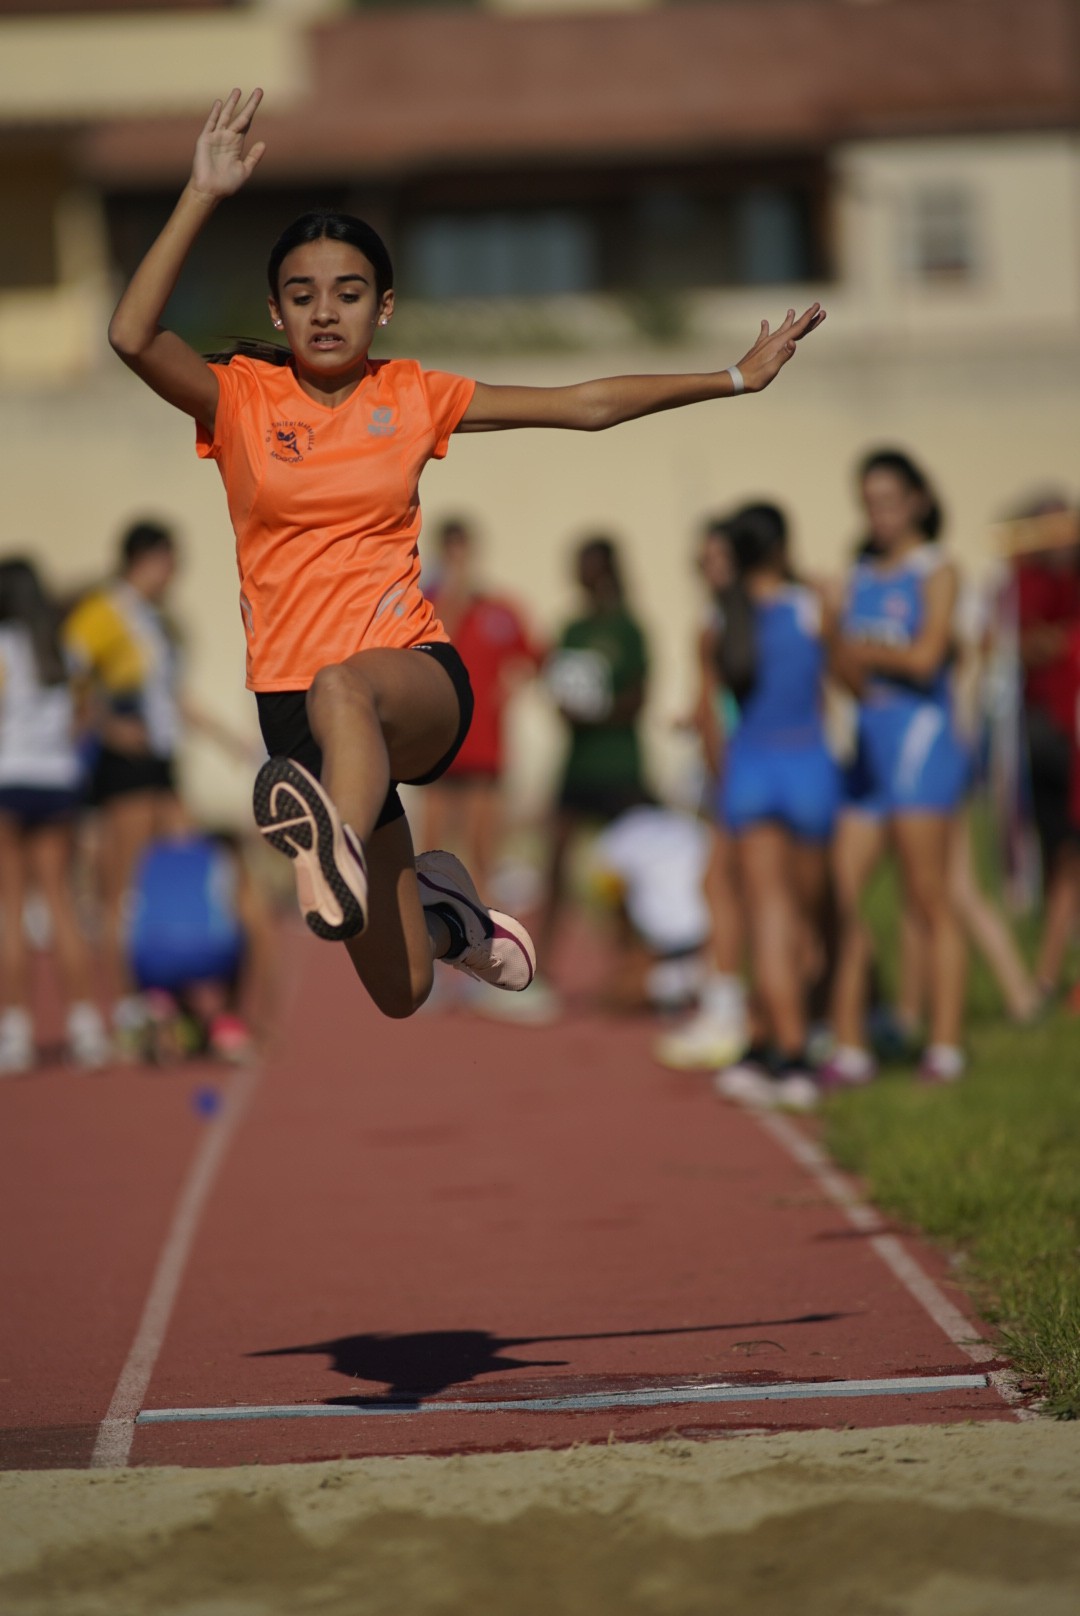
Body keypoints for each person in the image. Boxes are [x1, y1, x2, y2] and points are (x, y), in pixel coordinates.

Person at [106, 86, 824, 1022]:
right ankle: (450, 920)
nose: (326, 313)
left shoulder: (412, 396)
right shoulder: (239, 399)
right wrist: (203, 192)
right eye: (303, 296)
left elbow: (581, 404)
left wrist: (731, 376)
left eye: (349, 293)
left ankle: (336, 847)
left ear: (384, 307)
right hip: (291, 708)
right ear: (276, 313)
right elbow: (131, 335)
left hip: (410, 678)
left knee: (344, 687)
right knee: (400, 989)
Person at [826, 450, 969, 1086]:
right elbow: (851, 680)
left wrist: (852, 642)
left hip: (921, 748)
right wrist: (834, 635)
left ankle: (945, 1046)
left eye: (888, 501)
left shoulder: (936, 569)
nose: (878, 515)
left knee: (928, 898)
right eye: (868, 503)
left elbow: (927, 657)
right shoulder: (858, 575)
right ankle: (850, 1046)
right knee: (838, 896)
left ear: (916, 501)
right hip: (869, 750)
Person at [699, 505, 839, 1110]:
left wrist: (724, 783)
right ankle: (796, 1047)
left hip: (751, 771)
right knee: (807, 920)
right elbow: (850, 681)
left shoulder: (718, 620)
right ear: (782, 547)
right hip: (808, 767)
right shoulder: (811, 609)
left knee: (769, 918)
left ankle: (774, 1045)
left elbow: (709, 717)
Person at [0, 558, 109, 1073]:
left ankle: (16, 1032)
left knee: (10, 909)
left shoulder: (4, 646)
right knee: (62, 903)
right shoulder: (67, 648)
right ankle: (85, 1027)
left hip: (9, 779)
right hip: (58, 781)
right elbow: (86, 715)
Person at [656, 516, 747, 1069]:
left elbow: (724, 707)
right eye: (705, 560)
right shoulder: (726, 616)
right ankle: (734, 1003)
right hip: (739, 768)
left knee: (725, 886)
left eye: (720, 559)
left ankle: (728, 1008)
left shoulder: (725, 622)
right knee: (735, 888)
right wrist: (693, 718)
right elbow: (712, 703)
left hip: (742, 771)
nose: (710, 570)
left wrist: (720, 770)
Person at [421, 517, 542, 892]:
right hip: (438, 742)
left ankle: (482, 915)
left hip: (484, 743)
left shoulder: (501, 609)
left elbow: (533, 657)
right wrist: (452, 591)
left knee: (482, 848)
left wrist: (511, 687)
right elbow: (436, 642)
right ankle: (433, 915)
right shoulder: (427, 605)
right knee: (433, 850)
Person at [125, 829, 276, 1064]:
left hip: (149, 956)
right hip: (210, 953)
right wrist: (267, 1016)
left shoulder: (151, 851)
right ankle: (227, 1021)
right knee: (240, 933)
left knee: (149, 942)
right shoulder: (224, 854)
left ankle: (159, 1008)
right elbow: (255, 924)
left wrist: (130, 994)